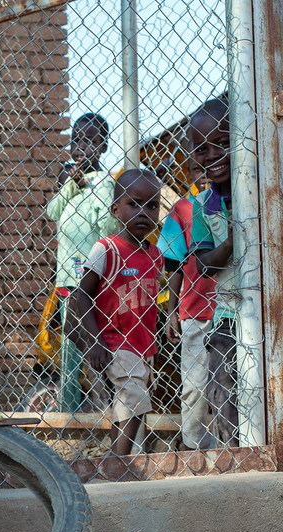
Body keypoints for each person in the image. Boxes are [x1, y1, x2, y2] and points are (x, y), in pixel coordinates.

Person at [76, 169, 165, 457]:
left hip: (143, 344)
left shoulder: (156, 256)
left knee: (126, 403)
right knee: (135, 400)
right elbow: (82, 295)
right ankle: (121, 463)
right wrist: (95, 342)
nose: (143, 212)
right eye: (134, 204)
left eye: (151, 206)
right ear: (116, 209)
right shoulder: (107, 250)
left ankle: (114, 460)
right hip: (115, 341)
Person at [46, 113, 117, 412]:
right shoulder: (70, 181)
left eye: (89, 141)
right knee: (69, 350)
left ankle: (107, 409)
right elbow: (52, 212)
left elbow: (108, 229)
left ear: (102, 147)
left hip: (90, 282)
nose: (80, 147)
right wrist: (70, 187)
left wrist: (95, 200)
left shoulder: (103, 182)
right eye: (76, 140)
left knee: (93, 345)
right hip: (66, 278)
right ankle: (69, 410)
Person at [157, 159, 216, 450]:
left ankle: (238, 445)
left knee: (234, 384)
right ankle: (194, 446)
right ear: (189, 173)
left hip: (235, 308)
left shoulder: (240, 202)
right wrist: (171, 312)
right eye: (197, 169)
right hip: (196, 310)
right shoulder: (183, 209)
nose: (204, 174)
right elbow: (175, 265)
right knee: (196, 387)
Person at [190, 96, 238, 448]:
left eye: (223, 143)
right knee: (221, 389)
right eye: (203, 148)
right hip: (228, 314)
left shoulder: (263, 185)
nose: (212, 156)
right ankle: (235, 453)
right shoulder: (204, 205)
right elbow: (203, 263)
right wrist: (230, 245)